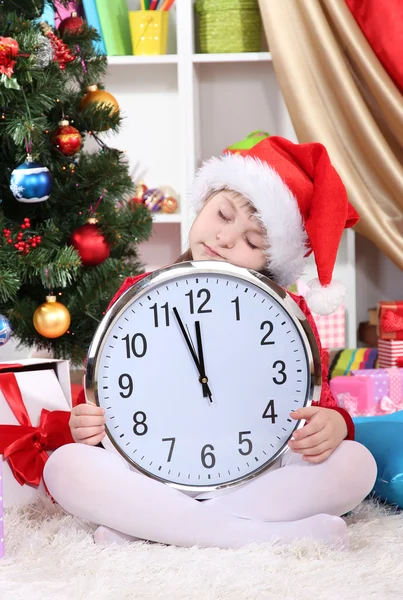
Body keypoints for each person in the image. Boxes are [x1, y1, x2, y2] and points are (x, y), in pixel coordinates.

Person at [44, 136, 377, 551]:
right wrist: (86, 424)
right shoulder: (139, 291)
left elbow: (318, 403)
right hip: (150, 472)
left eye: (252, 241)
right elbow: (108, 388)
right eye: (222, 215)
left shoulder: (289, 312)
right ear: (203, 203)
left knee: (357, 464)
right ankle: (252, 535)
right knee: (64, 466)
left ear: (270, 260)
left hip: (256, 475)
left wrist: (335, 425)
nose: (224, 239)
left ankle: (151, 529)